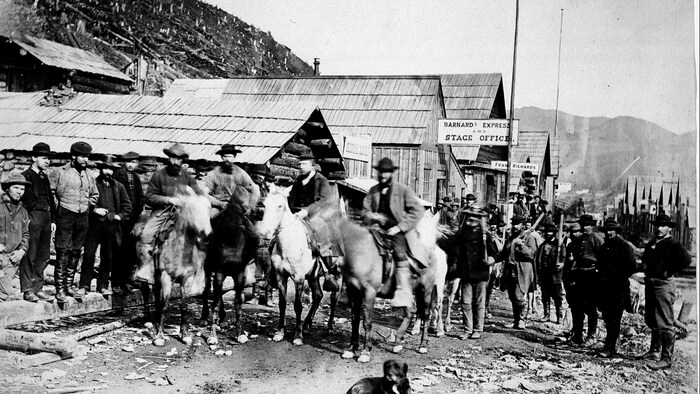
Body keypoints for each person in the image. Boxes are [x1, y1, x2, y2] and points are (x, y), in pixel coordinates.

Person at [362, 157, 428, 307]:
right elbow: (365, 210)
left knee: (399, 253)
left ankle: (402, 291)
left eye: (386, 173)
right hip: (376, 228)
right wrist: (371, 216)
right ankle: (352, 286)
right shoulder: (373, 190)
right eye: (381, 172)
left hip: (396, 228)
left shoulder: (402, 190)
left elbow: (417, 211)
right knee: (358, 247)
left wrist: (400, 227)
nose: (383, 175)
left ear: (391, 173)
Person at [136, 143, 203, 282]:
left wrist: (191, 200)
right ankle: (147, 270)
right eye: (173, 158)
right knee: (146, 234)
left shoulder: (188, 177)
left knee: (202, 235)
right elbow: (149, 196)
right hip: (162, 212)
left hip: (184, 214)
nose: (175, 162)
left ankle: (199, 273)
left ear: (182, 160)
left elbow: (199, 194)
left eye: (178, 159)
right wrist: (168, 200)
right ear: (168, 158)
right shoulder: (158, 175)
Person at [637, 214, 692, 369]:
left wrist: (669, 271)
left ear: (669, 228)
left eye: (663, 226)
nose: (660, 228)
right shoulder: (652, 243)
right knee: (652, 318)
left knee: (665, 320)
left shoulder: (673, 244)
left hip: (663, 285)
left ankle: (666, 359)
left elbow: (687, 259)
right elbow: (645, 260)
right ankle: (654, 351)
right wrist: (646, 269)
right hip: (651, 283)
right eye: (658, 225)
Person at [50, 141, 99, 303]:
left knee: (77, 250)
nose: (85, 159)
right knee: (63, 250)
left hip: (82, 216)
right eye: (82, 156)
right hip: (65, 214)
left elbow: (95, 195)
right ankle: (60, 288)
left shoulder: (89, 175)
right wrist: (59, 209)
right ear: (73, 156)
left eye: (87, 156)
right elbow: (52, 193)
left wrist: (87, 204)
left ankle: (69, 285)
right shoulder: (60, 172)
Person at [78, 158, 132, 296]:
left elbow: (127, 207)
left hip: (111, 226)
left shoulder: (119, 187)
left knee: (107, 256)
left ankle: (102, 285)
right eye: (105, 168)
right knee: (89, 255)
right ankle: (84, 285)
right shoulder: (92, 184)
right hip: (93, 225)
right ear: (100, 169)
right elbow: (84, 201)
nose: (108, 172)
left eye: (111, 169)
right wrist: (95, 209)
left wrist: (120, 216)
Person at [287, 153, 337, 291]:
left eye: (304, 164)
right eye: (300, 164)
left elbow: (323, 201)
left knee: (321, 235)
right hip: (297, 214)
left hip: (316, 214)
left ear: (312, 165)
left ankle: (328, 272)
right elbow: (291, 199)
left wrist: (307, 211)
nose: (301, 167)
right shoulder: (298, 180)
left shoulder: (321, 180)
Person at [595, 218, 637, 358]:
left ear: (617, 231)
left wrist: (619, 276)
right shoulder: (604, 247)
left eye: (612, 230)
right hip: (604, 287)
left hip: (618, 287)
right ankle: (611, 345)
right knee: (607, 317)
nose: (609, 233)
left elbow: (633, 266)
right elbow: (599, 265)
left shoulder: (624, 246)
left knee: (614, 317)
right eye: (607, 230)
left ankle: (609, 347)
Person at [19, 143, 56, 302]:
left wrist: (53, 219)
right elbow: (19, 200)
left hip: (46, 218)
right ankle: (27, 290)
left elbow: (50, 199)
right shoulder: (25, 176)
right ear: (34, 158)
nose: (47, 161)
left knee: (44, 255)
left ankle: (38, 288)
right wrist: (25, 219)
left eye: (49, 158)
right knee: (30, 254)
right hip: (32, 217)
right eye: (44, 158)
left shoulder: (44, 177)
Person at [454, 208, 498, 339]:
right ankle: (467, 330)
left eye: (474, 217)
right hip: (466, 273)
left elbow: (494, 253)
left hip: (480, 273)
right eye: (469, 217)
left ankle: (478, 329)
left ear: (479, 220)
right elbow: (452, 245)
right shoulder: (462, 234)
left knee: (479, 303)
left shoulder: (485, 235)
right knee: (465, 302)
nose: (471, 220)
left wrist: (491, 260)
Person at [566, 214, 603, 346]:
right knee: (577, 307)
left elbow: (602, 259)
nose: (585, 228)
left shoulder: (597, 239)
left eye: (587, 225)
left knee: (591, 308)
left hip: (592, 276)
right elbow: (575, 258)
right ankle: (577, 335)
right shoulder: (579, 240)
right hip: (580, 275)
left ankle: (592, 336)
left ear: (592, 226)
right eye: (583, 225)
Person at [498, 215, 538, 329]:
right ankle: (516, 320)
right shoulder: (510, 238)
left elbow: (532, 254)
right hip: (510, 270)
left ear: (523, 225)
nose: (515, 226)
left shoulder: (528, 238)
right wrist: (490, 260)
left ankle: (521, 319)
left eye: (518, 224)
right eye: (514, 224)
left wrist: (522, 246)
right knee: (512, 296)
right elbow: (503, 254)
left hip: (522, 270)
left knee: (519, 296)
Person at [113, 151, 145, 293]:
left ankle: (127, 280)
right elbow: (116, 196)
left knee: (130, 250)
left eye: (134, 162)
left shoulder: (136, 177)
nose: (132, 165)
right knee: (118, 250)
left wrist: (138, 211)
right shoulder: (118, 175)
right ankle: (116, 282)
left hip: (132, 218)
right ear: (124, 162)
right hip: (120, 217)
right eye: (129, 162)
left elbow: (140, 196)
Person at [204, 144, 260, 219]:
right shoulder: (213, 173)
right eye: (225, 156)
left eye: (230, 156)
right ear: (221, 157)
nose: (227, 159)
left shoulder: (240, 173)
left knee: (249, 227)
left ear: (234, 157)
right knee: (210, 219)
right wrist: (219, 203)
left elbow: (255, 189)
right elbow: (203, 192)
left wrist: (250, 207)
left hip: (239, 207)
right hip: (219, 207)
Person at [0, 174, 30, 302]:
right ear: (7, 188)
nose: (19, 192)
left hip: (11, 259)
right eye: (16, 187)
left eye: (22, 189)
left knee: (6, 294)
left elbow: (25, 234)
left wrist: (22, 250)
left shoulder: (23, 211)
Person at [535, 223, 566, 324]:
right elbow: (538, 260)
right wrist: (538, 274)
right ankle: (546, 314)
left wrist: (561, 264)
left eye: (550, 232)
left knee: (557, 297)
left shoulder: (559, 245)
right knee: (545, 296)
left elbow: (564, 259)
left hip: (555, 275)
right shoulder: (542, 245)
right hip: (545, 275)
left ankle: (559, 316)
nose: (548, 234)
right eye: (547, 232)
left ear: (554, 233)